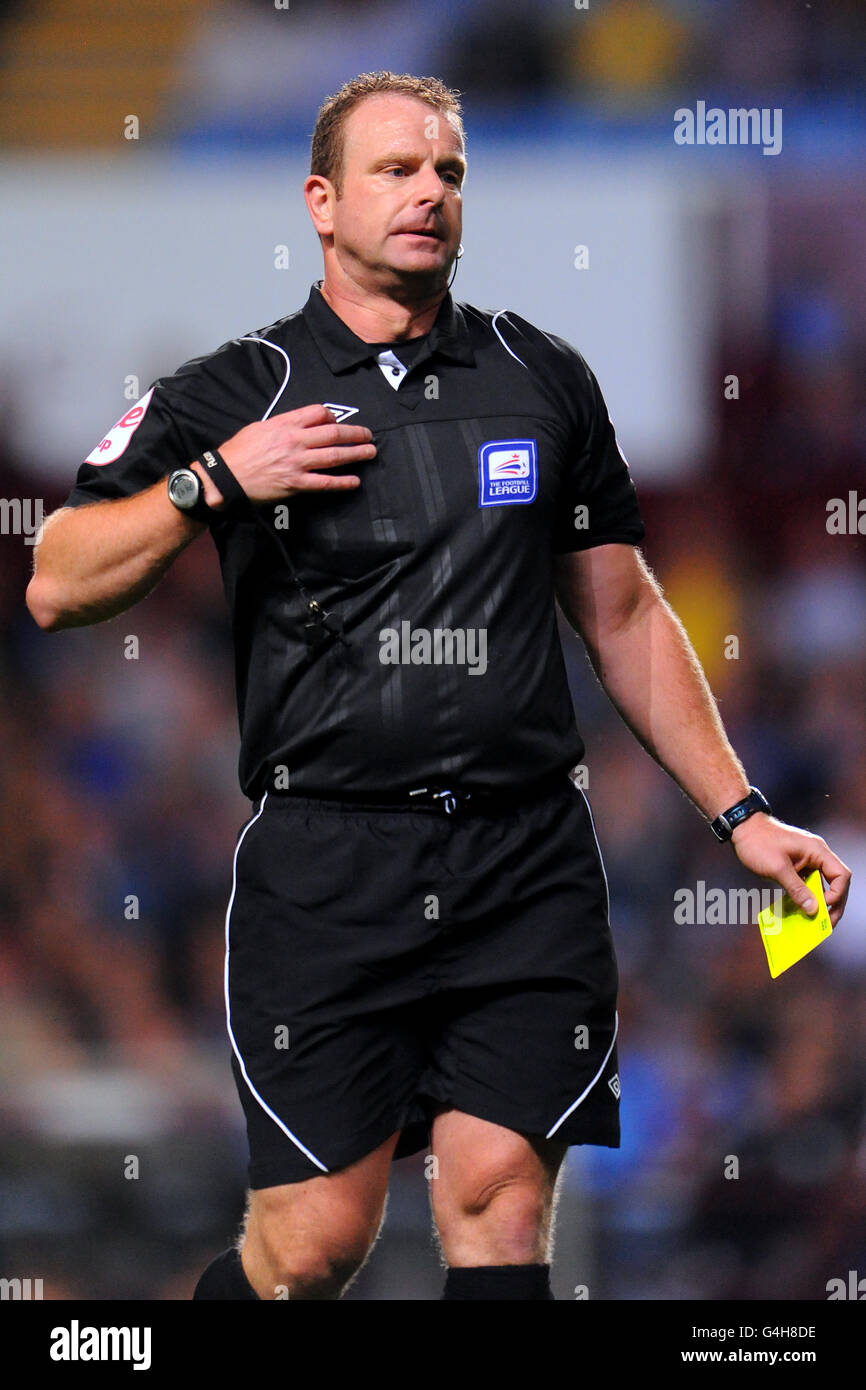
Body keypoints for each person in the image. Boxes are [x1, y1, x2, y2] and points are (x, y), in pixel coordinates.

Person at [25, 71, 851, 1302]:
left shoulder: (544, 379)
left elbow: (620, 611)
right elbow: (56, 579)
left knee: (498, 1201)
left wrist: (739, 813)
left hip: (523, 857)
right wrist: (214, 482)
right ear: (321, 199)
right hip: (328, 864)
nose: (427, 194)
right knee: (311, 1249)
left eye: (447, 173)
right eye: (395, 171)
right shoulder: (233, 390)